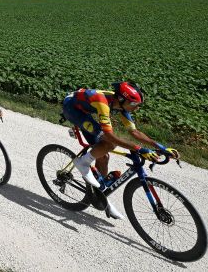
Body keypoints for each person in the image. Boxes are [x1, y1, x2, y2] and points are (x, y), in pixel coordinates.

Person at [62, 82, 179, 220]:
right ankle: (82, 163)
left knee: (104, 157)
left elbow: (134, 132)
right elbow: (110, 136)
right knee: (109, 143)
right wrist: (139, 148)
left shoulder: (121, 105)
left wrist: (161, 147)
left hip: (85, 109)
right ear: (122, 99)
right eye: (134, 104)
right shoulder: (103, 102)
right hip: (72, 108)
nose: (137, 108)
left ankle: (101, 196)